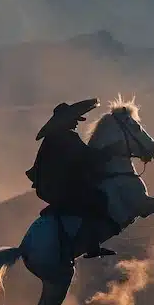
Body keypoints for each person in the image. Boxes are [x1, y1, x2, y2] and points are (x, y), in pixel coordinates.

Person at [25, 98, 113, 231]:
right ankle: (92, 245)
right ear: (67, 121)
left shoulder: (54, 137)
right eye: (75, 119)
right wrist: (110, 151)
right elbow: (87, 156)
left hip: (49, 187)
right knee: (97, 199)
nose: (77, 122)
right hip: (58, 188)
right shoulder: (67, 137)